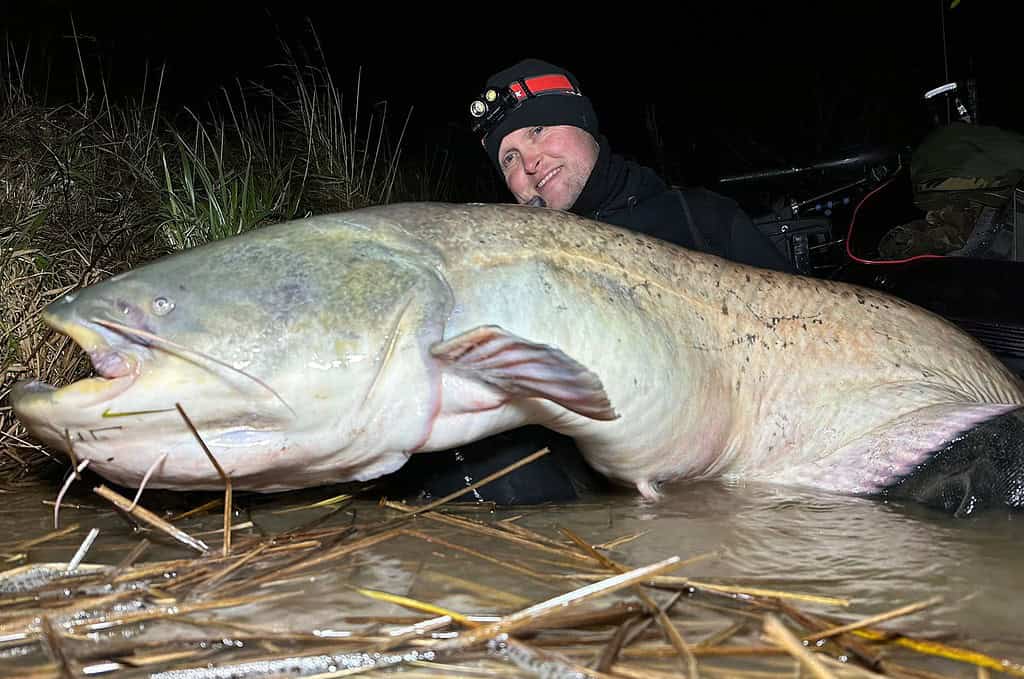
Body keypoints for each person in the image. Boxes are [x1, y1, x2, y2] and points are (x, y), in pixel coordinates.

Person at [378, 58, 795, 507]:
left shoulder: (703, 217)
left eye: (537, 131)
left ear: (583, 125)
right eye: (510, 158)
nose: (531, 162)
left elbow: (805, 338)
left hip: (737, 458)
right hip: (595, 476)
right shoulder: (513, 261)